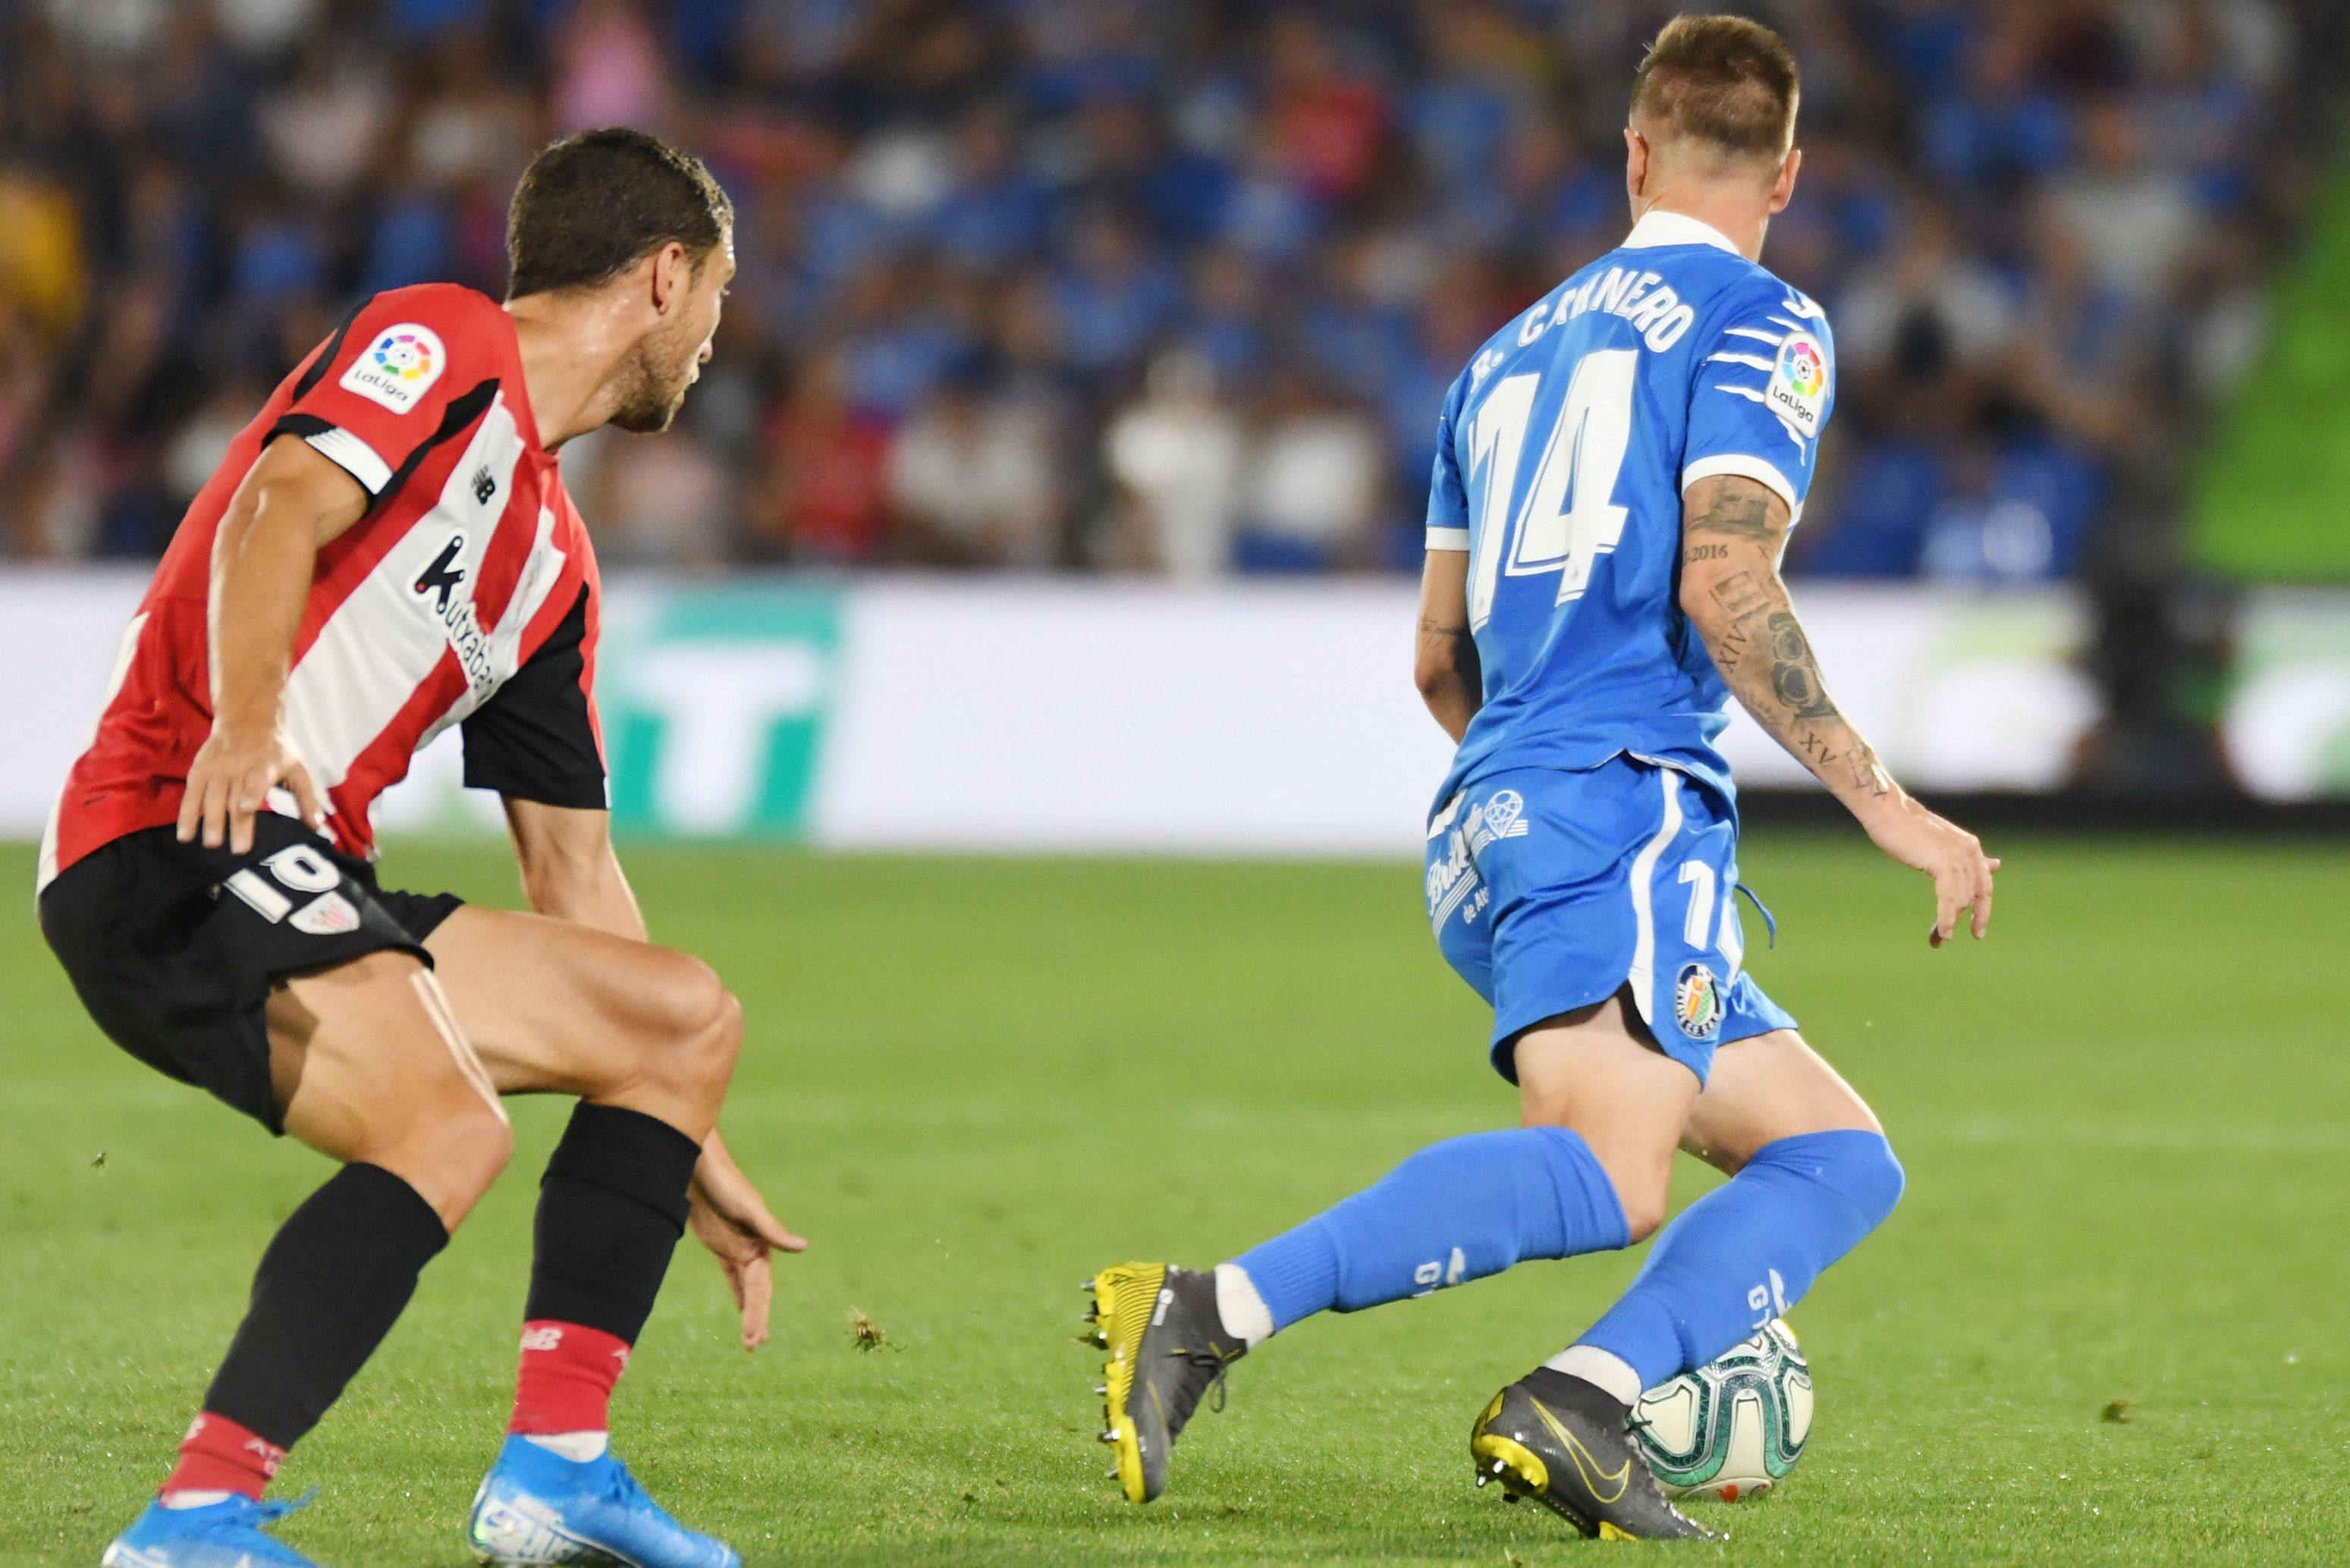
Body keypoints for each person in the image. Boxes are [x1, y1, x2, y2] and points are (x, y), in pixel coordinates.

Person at [1084, 17, 1997, 1541]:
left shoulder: (1497, 358)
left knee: (1836, 1155)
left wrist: (1521, 798)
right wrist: (1885, 802)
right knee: (1607, 1168)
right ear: (1785, 172)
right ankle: (1206, 1304)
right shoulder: (1765, 321)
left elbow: (1438, 660)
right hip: (1617, 801)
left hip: (1504, 808)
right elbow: (1725, 575)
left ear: (1631, 156)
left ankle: (1581, 1394)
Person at [39, 128, 803, 1568]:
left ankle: (556, 1472)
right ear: (661, 278)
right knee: (448, 1127)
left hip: (297, 866)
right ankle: (195, 1516)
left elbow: (572, 874)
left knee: (679, 1016)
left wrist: (678, 1126)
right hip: (172, 824)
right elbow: (278, 500)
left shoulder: (554, 572)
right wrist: (248, 724)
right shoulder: (440, 339)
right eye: (717, 291)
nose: (716, 334)